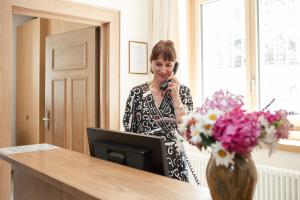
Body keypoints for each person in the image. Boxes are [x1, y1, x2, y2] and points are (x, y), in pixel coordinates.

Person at [123, 40, 193, 182]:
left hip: (175, 168)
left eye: (168, 65)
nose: (163, 70)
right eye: (158, 64)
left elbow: (187, 132)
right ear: (151, 63)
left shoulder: (183, 92)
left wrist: (176, 98)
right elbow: (129, 133)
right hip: (143, 166)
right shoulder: (136, 93)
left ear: (175, 66)